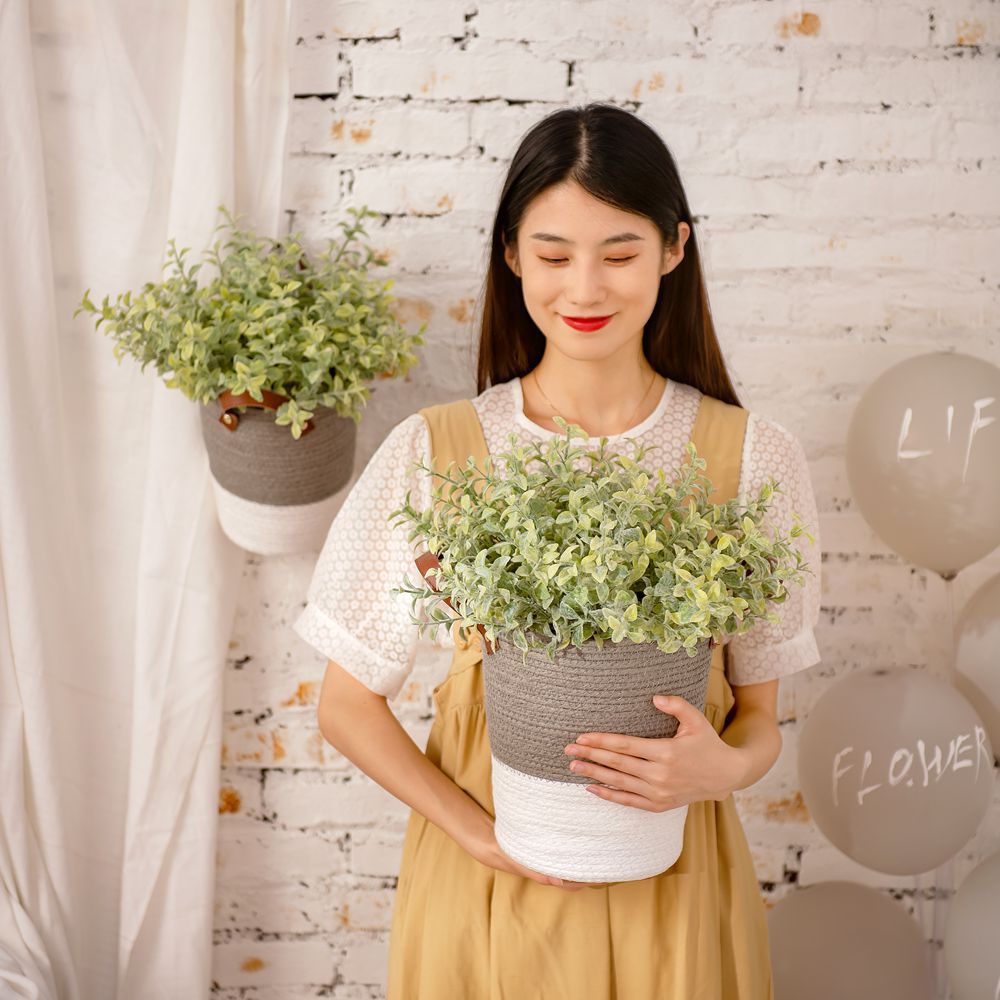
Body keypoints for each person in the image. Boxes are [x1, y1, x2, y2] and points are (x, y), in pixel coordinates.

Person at [293, 102, 822, 999]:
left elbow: (760, 716)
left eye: (619, 254)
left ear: (673, 249)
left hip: (677, 887)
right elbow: (346, 705)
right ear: (508, 254)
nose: (585, 289)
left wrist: (723, 766)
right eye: (552, 255)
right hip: (490, 887)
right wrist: (472, 835)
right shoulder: (439, 451)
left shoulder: (751, 459)